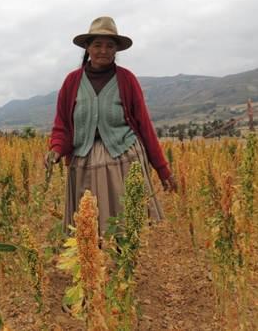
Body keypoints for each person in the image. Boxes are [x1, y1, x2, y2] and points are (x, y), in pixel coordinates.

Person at [45, 16, 177, 236]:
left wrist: (162, 170)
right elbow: (63, 125)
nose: (103, 50)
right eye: (97, 45)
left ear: (116, 50)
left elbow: (144, 126)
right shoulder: (72, 82)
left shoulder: (126, 80)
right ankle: (92, 267)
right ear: (87, 48)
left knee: (124, 224)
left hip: (123, 160)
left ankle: (123, 264)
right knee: (87, 225)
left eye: (110, 45)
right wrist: (56, 149)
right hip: (84, 162)